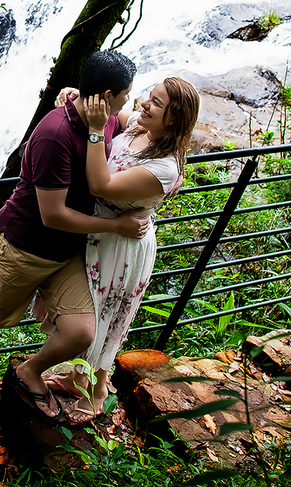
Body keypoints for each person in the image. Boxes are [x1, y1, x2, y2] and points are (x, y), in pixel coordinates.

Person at [0, 51, 150, 437]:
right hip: (23, 247)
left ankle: (29, 372)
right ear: (107, 95)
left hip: (67, 253)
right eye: (126, 94)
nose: (131, 101)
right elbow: (53, 215)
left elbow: (134, 124)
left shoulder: (104, 119)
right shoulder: (55, 134)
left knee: (81, 331)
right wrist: (117, 227)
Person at [45, 77, 200, 423]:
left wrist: (95, 131)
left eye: (156, 103)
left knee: (106, 315)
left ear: (174, 118)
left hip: (122, 245)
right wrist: (78, 96)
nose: (144, 104)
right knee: (90, 310)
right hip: (100, 230)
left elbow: (101, 185)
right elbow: (112, 112)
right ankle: (77, 379)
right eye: (149, 96)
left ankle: (98, 390)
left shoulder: (164, 167)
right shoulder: (140, 128)